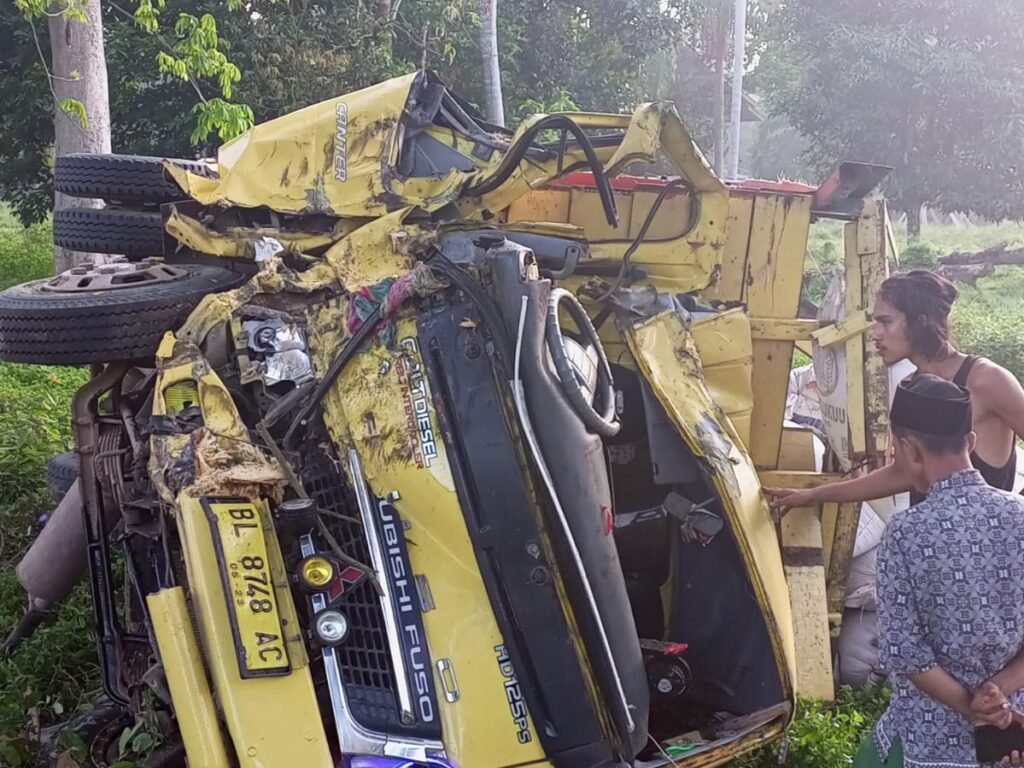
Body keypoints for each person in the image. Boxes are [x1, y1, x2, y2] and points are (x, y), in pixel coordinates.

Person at [852, 374, 1024, 768]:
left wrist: (973, 708)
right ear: (972, 442)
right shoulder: (1021, 517)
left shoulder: (906, 533)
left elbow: (906, 654)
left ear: (909, 450)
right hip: (1009, 736)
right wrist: (996, 692)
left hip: (929, 742)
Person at [769, 269, 1024, 514]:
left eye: (886, 322)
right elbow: (902, 473)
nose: (875, 334)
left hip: (985, 554)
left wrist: (1011, 516)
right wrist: (813, 495)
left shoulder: (986, 380)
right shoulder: (912, 387)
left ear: (920, 321)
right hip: (927, 549)